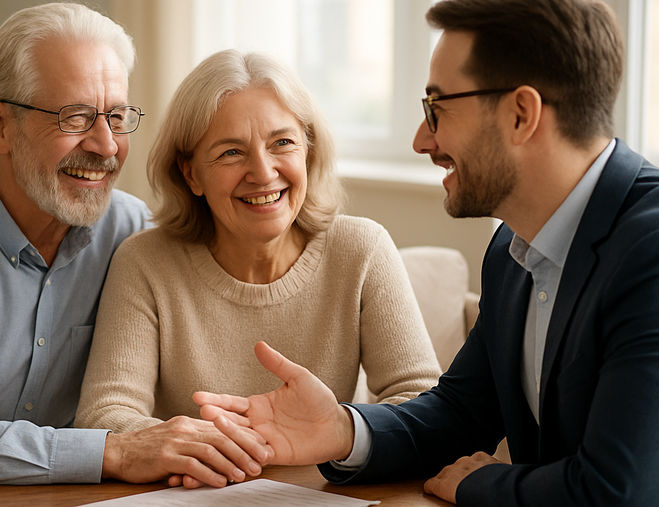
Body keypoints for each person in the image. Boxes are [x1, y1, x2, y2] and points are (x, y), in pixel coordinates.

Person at [194, 0, 659, 507]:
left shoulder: (649, 250)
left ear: (521, 115)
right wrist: (343, 431)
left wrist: (478, 484)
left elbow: (618, 491)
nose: (422, 138)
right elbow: (462, 413)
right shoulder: (513, 249)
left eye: (437, 107)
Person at [0, 3, 261, 496]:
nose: (107, 145)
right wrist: (116, 451)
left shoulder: (134, 232)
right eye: (75, 118)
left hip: (69, 491)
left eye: (116, 116)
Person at [74, 49, 442, 487]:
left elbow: (426, 407)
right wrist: (214, 447)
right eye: (231, 152)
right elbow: (103, 417)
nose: (263, 173)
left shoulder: (362, 249)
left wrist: (338, 431)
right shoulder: (145, 262)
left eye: (282, 143)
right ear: (190, 174)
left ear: (308, 149)